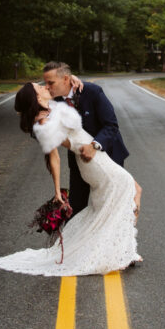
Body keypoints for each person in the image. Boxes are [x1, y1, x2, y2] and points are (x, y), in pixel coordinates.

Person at [0, 82, 142, 276]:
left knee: (115, 200)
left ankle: (125, 250)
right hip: (94, 162)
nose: (44, 86)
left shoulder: (50, 109)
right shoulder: (44, 123)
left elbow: (65, 91)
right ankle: (122, 253)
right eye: (39, 87)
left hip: (94, 158)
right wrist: (56, 190)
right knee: (127, 192)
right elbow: (54, 158)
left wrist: (74, 80)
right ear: (36, 98)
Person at [42, 61, 129, 216]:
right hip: (79, 158)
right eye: (45, 83)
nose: (47, 87)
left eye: (51, 83)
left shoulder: (92, 91)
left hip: (108, 155)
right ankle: (72, 239)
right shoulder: (53, 101)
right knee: (75, 206)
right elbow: (31, 95)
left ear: (66, 79)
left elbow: (111, 125)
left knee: (110, 206)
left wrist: (93, 145)